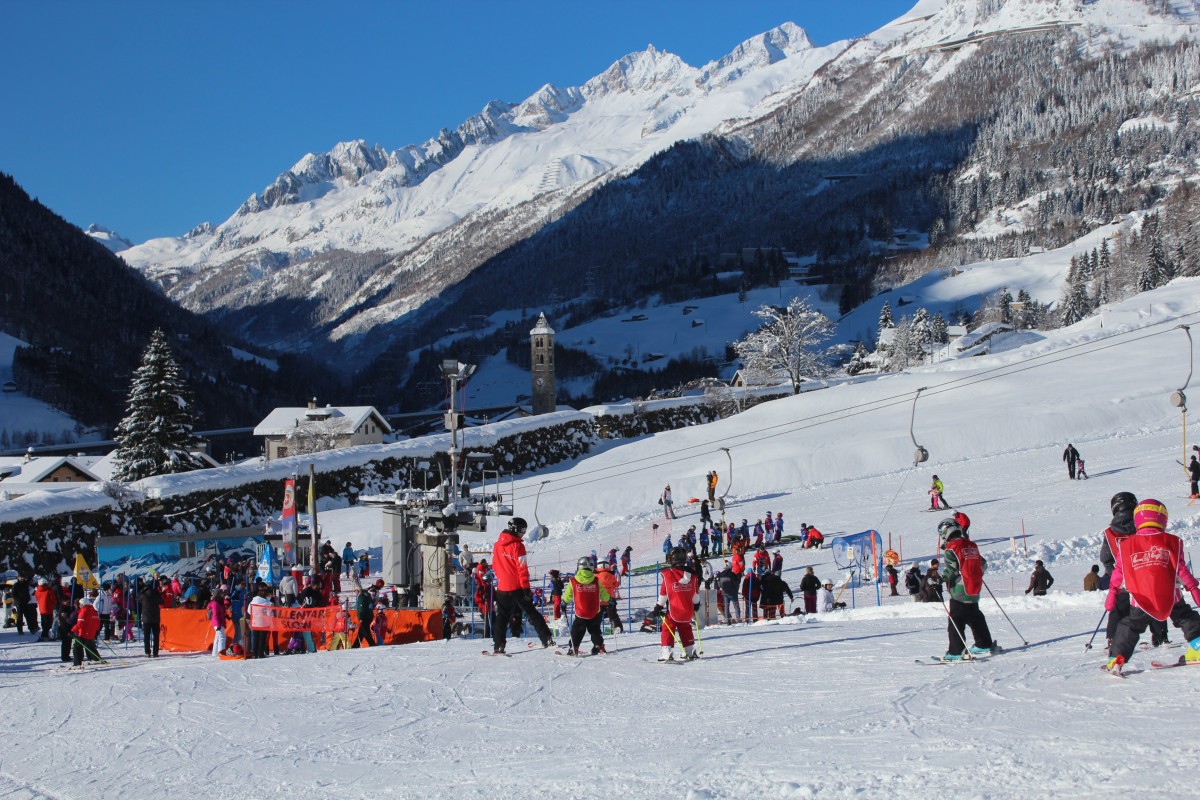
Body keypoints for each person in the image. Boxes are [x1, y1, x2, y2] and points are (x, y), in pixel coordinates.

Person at [1104, 499, 1200, 672]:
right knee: (1185, 616)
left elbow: (1119, 572)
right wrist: (1193, 588)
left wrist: (1113, 592)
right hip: (1170, 594)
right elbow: (1181, 570)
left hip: (1140, 597)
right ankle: (1199, 644)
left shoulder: (1126, 545)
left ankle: (1116, 659)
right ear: (1163, 519)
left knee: (1130, 626)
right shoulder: (1172, 541)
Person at [491, 517, 555, 654]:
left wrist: (502, 578)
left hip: (502, 587)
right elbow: (522, 569)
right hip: (517, 587)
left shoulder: (497, 545)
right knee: (531, 612)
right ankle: (547, 638)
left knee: (502, 616)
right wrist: (526, 588)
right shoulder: (518, 546)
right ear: (515, 529)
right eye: (522, 530)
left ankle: (498, 644)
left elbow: (495, 565)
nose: (524, 533)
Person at [938, 517, 996, 660]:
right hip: (974, 587)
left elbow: (952, 569)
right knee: (974, 615)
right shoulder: (971, 545)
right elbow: (982, 564)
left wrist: (940, 579)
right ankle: (983, 644)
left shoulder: (951, 548)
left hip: (959, 589)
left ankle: (956, 651)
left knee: (956, 619)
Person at [1100, 491, 1137, 646]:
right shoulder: (1140, 526)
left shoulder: (1110, 532)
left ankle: (1113, 638)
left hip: (1121, 576)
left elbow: (1105, 557)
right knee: (1148, 604)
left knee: (1118, 607)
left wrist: (1112, 572)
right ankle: (1161, 637)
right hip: (1142, 573)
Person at [655, 547, 702, 661]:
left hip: (674, 610)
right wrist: (696, 604)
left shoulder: (668, 575)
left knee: (667, 627)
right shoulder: (692, 575)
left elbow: (664, 593)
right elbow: (695, 593)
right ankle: (689, 650)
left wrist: (658, 606)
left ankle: (667, 651)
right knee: (685, 627)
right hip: (687, 610)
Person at [561, 556, 610, 656]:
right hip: (594, 611)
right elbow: (603, 593)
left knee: (577, 630)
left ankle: (574, 647)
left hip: (580, 612)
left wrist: (564, 602)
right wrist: (610, 600)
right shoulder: (596, 581)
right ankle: (599, 645)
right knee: (595, 629)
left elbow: (568, 595)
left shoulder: (573, 581)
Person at [70, 597, 102, 667]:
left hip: (83, 633)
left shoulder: (83, 611)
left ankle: (77, 664)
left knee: (77, 647)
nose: (79, 605)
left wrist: (72, 631)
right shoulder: (94, 610)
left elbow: (80, 624)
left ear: (82, 604)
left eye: (80, 604)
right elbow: (97, 622)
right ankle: (97, 659)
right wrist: (96, 630)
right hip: (92, 633)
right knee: (90, 646)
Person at [139, 578, 164, 658]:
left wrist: (142, 591)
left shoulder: (144, 594)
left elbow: (137, 598)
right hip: (155, 618)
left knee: (147, 636)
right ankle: (155, 652)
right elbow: (162, 601)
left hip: (146, 618)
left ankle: (147, 652)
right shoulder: (156, 593)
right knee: (156, 636)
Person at [596, 562, 623, 633]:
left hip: (599, 600)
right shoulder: (611, 574)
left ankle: (594, 629)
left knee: (597, 617)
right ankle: (617, 627)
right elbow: (616, 584)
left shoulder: (595, 575)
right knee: (613, 615)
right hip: (609, 599)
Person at [55, 598, 76, 663]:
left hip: (67, 628)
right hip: (64, 628)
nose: (69, 603)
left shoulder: (68, 608)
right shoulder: (63, 609)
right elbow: (65, 618)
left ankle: (66, 655)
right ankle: (64, 656)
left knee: (68, 643)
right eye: (67, 602)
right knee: (65, 643)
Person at [207, 590, 227, 657]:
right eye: (222, 594)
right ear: (218, 594)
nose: (223, 595)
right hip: (217, 623)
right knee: (222, 637)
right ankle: (221, 652)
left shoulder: (220, 602)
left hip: (219, 622)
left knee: (217, 637)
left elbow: (221, 613)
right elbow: (215, 614)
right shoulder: (215, 603)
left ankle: (215, 653)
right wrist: (218, 624)